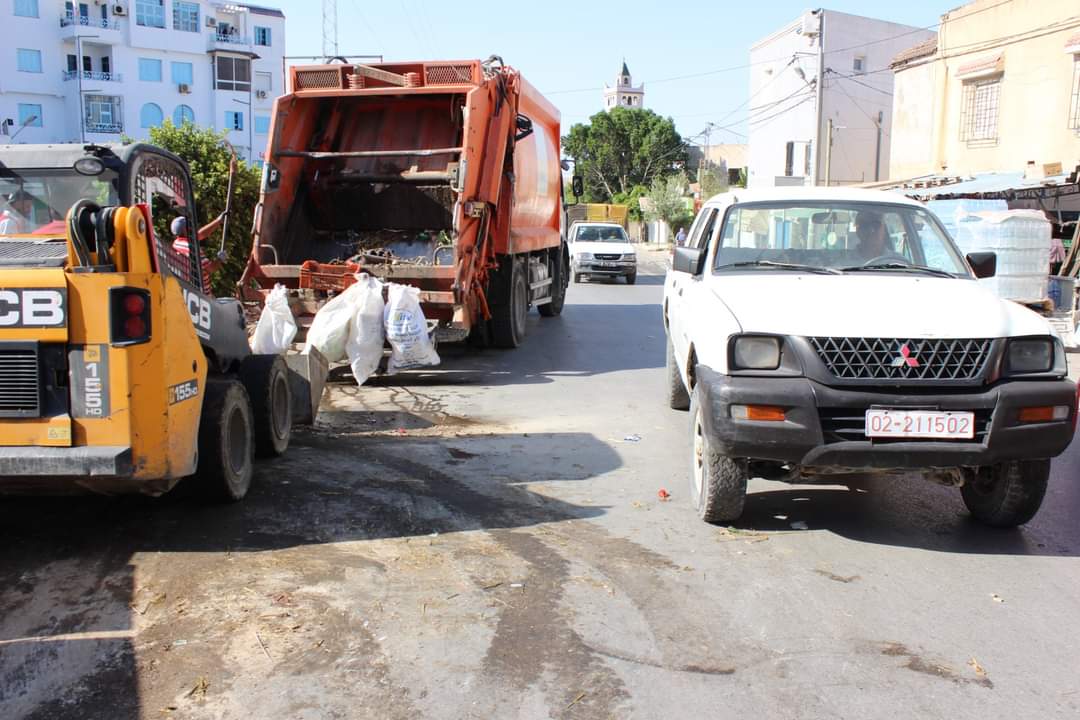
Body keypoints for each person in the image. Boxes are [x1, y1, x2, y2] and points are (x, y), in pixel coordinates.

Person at [171, 213, 228, 292]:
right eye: (190, 226)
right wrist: (220, 259)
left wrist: (218, 221)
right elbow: (210, 269)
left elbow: (200, 234)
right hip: (201, 293)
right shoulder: (192, 249)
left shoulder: (176, 244)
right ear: (185, 230)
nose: (193, 228)